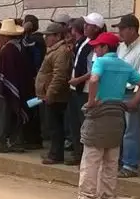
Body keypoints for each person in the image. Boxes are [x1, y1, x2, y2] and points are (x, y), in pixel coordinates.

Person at [69, 32, 140, 199]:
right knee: (111, 159)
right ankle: (108, 195)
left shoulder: (101, 62)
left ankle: (87, 197)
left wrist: (90, 101)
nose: (95, 49)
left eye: (98, 46)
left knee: (91, 157)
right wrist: (133, 103)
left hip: (99, 113)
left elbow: (95, 79)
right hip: (117, 114)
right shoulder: (124, 66)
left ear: (105, 48)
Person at [114, 14, 140, 178]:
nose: (119, 32)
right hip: (118, 92)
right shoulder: (121, 47)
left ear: (132, 29)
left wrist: (135, 101)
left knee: (131, 131)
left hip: (133, 94)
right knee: (118, 130)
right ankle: (119, 161)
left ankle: (130, 165)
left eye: (122, 29)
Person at [67, 13, 105, 165]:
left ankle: (85, 157)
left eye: (88, 25)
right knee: (74, 123)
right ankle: (77, 155)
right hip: (75, 88)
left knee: (85, 124)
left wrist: (79, 79)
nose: (85, 27)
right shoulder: (84, 40)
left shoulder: (97, 44)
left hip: (86, 89)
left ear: (96, 28)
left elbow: (94, 69)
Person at [0, 19, 32, 153]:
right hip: (19, 86)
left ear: (6, 36)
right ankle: (16, 142)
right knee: (15, 114)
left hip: (6, 88)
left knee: (2, 115)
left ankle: (0, 143)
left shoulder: (7, 50)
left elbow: (4, 71)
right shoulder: (20, 47)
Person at [34, 22, 71, 165]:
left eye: (48, 36)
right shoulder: (54, 51)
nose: (46, 38)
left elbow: (59, 75)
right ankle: (54, 152)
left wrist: (50, 93)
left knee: (55, 126)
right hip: (49, 94)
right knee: (52, 125)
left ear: (57, 36)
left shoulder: (60, 52)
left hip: (56, 96)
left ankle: (56, 154)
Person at [20, 15, 46, 150]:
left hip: (34, 79)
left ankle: (33, 139)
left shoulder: (35, 40)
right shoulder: (31, 39)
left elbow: (34, 58)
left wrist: (24, 30)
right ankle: (29, 137)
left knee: (31, 108)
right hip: (31, 78)